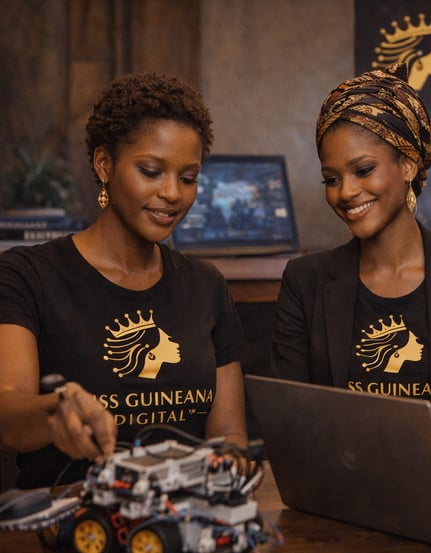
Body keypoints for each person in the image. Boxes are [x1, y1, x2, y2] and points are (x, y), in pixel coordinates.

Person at [0, 73, 248, 488]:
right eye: (151, 171)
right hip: (74, 516)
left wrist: (231, 468)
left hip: (183, 514)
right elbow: (8, 416)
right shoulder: (26, 276)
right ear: (104, 165)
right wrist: (57, 411)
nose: (173, 193)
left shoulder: (206, 286)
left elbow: (229, 435)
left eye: (188, 178)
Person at [270, 64, 431, 449]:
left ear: (408, 164)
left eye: (363, 170)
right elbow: (289, 414)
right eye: (331, 179)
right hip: (342, 483)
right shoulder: (304, 280)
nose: (345, 192)